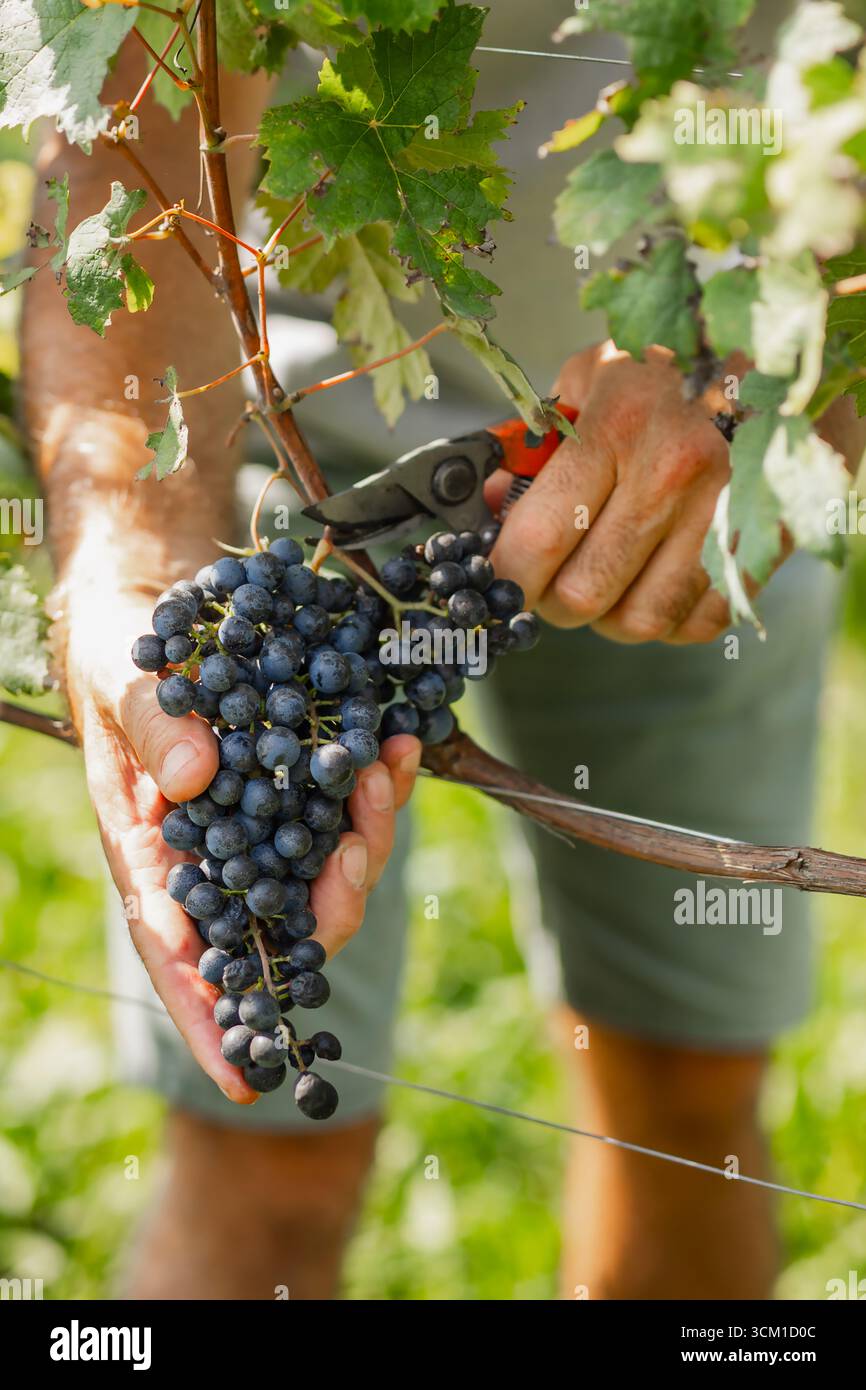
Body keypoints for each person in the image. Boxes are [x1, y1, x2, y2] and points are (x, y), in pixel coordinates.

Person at [20, 5, 865, 1300]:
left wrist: (814, 366)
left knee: (689, 1095)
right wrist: (129, 522)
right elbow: (134, 86)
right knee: (265, 1150)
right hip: (270, 401)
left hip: (698, 438)